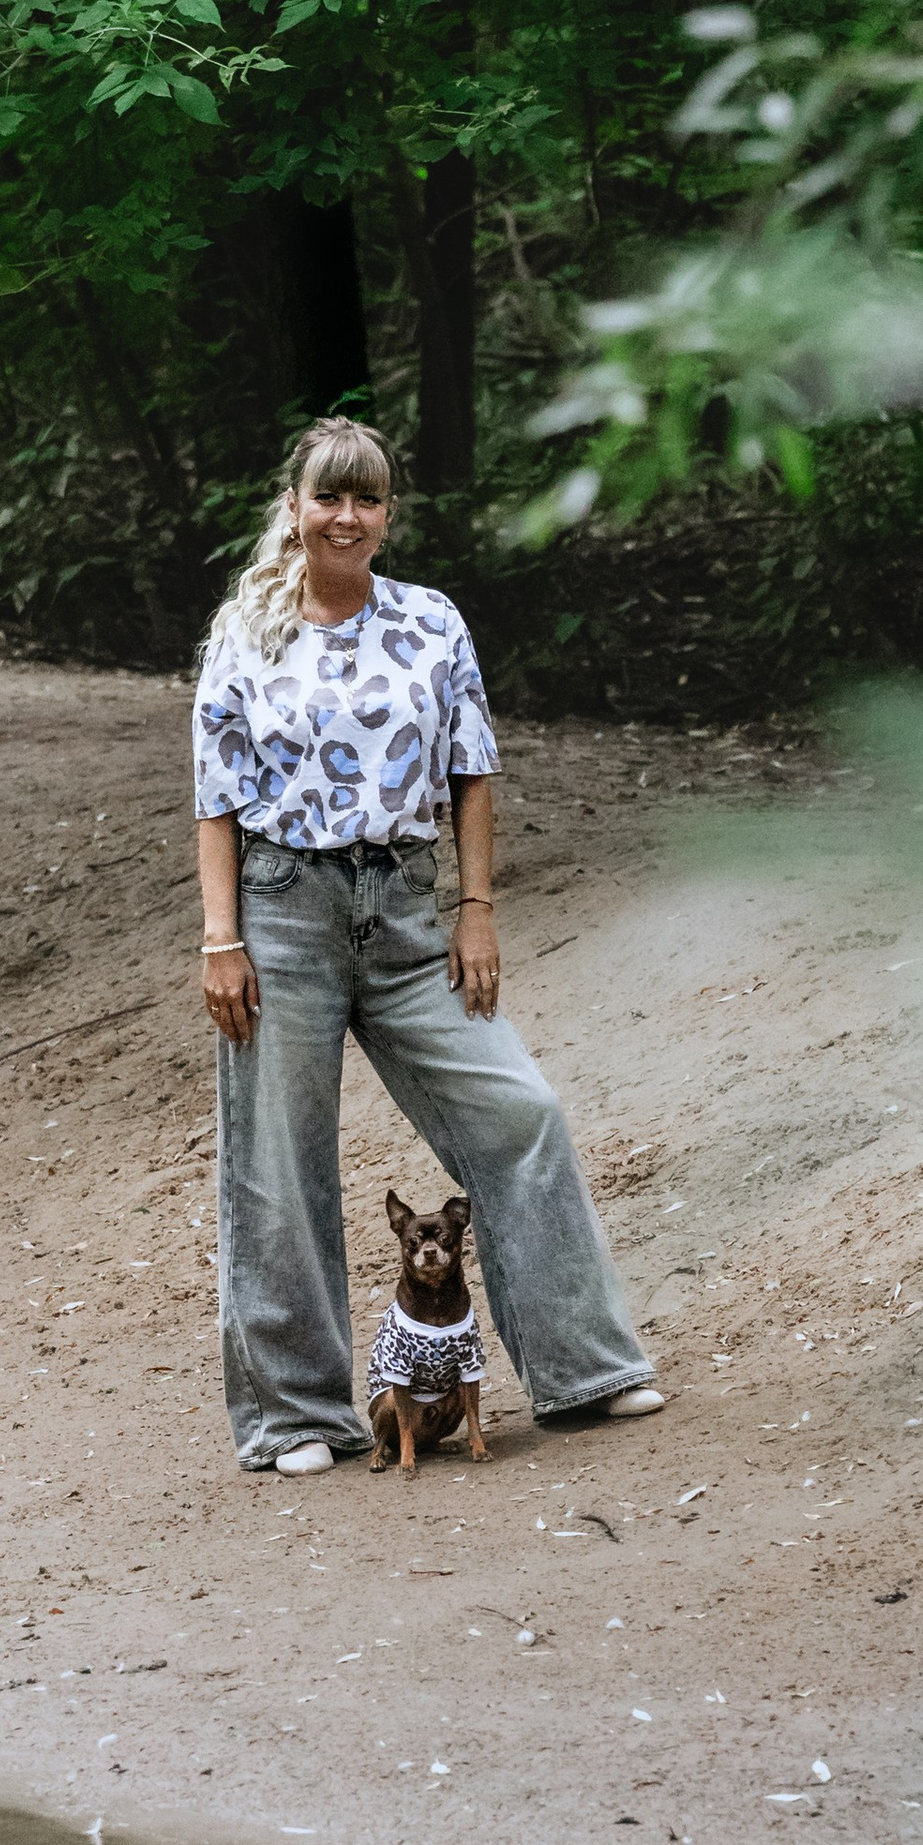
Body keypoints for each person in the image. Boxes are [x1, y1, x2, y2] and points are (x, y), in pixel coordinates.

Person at [193, 414, 662, 1476]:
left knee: (520, 1114)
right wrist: (221, 937)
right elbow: (215, 797)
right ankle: (297, 1418)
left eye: (365, 499)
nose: (345, 517)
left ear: (386, 514)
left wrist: (477, 906)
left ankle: (584, 1370)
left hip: (405, 915)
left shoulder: (431, 624)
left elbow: (471, 768)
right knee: (277, 1167)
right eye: (328, 497)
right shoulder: (246, 632)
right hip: (280, 909)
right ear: (296, 507)